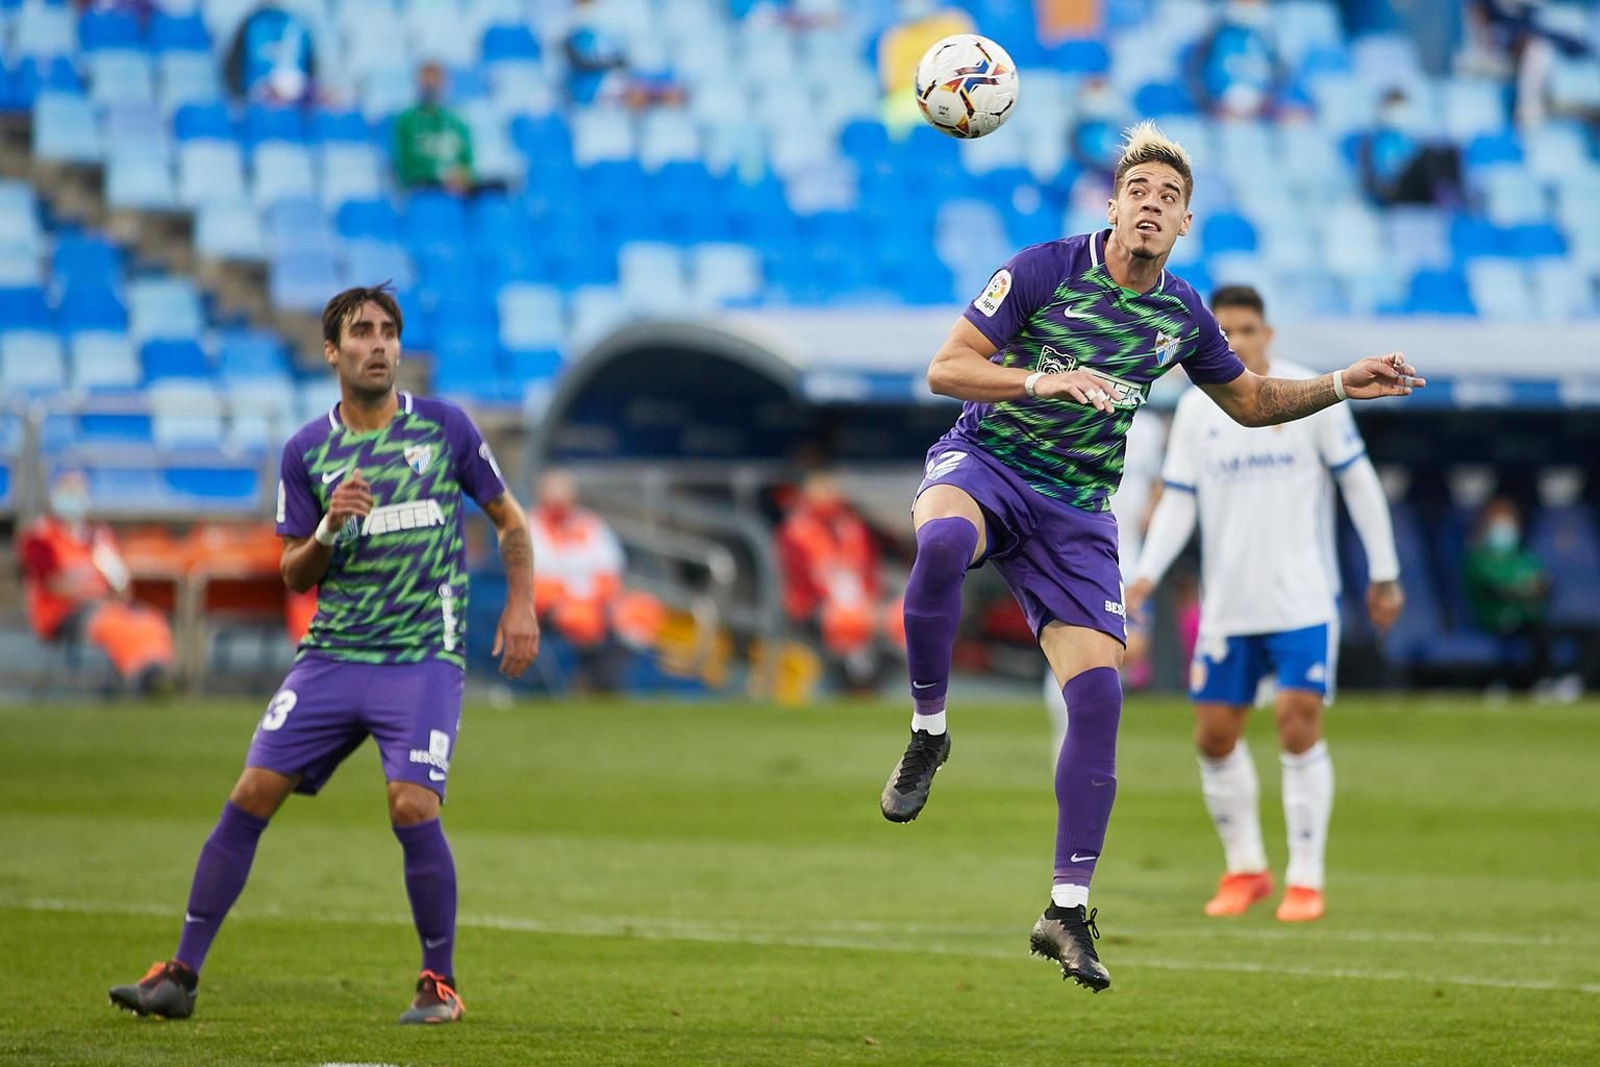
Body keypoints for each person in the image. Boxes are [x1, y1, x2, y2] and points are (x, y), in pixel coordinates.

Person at [880, 121, 1424, 993]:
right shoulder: (1041, 269)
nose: (1151, 205)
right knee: (942, 539)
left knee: (1099, 696)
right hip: (989, 462)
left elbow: (1247, 399)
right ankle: (929, 731)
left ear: (1184, 226)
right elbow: (947, 368)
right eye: (1139, 191)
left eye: (1168, 198)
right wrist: (1040, 378)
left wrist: (1335, 385)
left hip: (1077, 513)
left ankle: (1065, 907)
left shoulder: (1181, 314)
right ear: (1113, 205)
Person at [109, 285, 540, 1023]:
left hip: (420, 658)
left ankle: (438, 982)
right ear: (332, 352)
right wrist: (331, 527)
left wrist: (523, 602)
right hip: (334, 656)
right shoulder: (307, 451)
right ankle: (180, 973)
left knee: (411, 801)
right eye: (361, 332)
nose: (378, 344)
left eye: (388, 332)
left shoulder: (445, 428)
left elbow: (510, 520)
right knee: (250, 793)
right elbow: (294, 573)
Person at [1124, 284, 1405, 924]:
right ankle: (1246, 867)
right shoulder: (1197, 412)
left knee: (1297, 720)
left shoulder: (1314, 394)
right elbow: (1180, 500)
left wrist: (1384, 573)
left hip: (1303, 596)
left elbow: (1358, 483)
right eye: (1222, 332)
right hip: (1229, 605)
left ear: (1267, 335)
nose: (1236, 341)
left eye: (1246, 329)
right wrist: (1143, 576)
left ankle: (1306, 878)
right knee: (1215, 736)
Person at [17, 470, 175, 694]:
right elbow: (53, 585)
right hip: (62, 614)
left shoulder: (97, 537)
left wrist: (117, 591)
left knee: (150, 620)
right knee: (113, 624)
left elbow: (119, 580)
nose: (73, 498)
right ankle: (144, 680)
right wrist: (95, 597)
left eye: (78, 492)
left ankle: (157, 672)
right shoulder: (40, 538)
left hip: (103, 606)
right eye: (67, 491)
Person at [527, 468, 661, 693]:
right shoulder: (529, 525)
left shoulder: (589, 523)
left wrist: (600, 596)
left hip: (597, 600)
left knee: (642, 610)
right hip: (554, 604)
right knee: (582, 618)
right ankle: (587, 682)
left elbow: (611, 566)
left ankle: (625, 682)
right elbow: (537, 573)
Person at [776, 471, 891, 692]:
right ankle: (857, 684)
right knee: (848, 622)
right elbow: (805, 582)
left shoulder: (850, 527)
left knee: (902, 616)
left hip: (859, 604)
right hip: (813, 608)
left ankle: (876, 683)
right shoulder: (796, 531)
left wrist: (870, 603)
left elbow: (869, 572)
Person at [1463, 496, 1556, 690]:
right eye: (1498, 523)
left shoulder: (1523, 557)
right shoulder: (1479, 558)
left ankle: (1546, 683)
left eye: (1508, 522)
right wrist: (1522, 589)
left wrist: (1528, 589)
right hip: (1493, 620)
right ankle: (1507, 683)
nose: (1504, 530)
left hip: (1526, 618)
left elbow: (1545, 584)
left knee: (1551, 631)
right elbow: (1493, 589)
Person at [392, 63, 473, 193]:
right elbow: (404, 166)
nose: (431, 89)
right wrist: (440, 175)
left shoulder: (457, 122)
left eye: (435, 84)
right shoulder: (406, 121)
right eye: (427, 85)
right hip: (423, 188)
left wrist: (461, 175)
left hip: (457, 190)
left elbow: (468, 163)